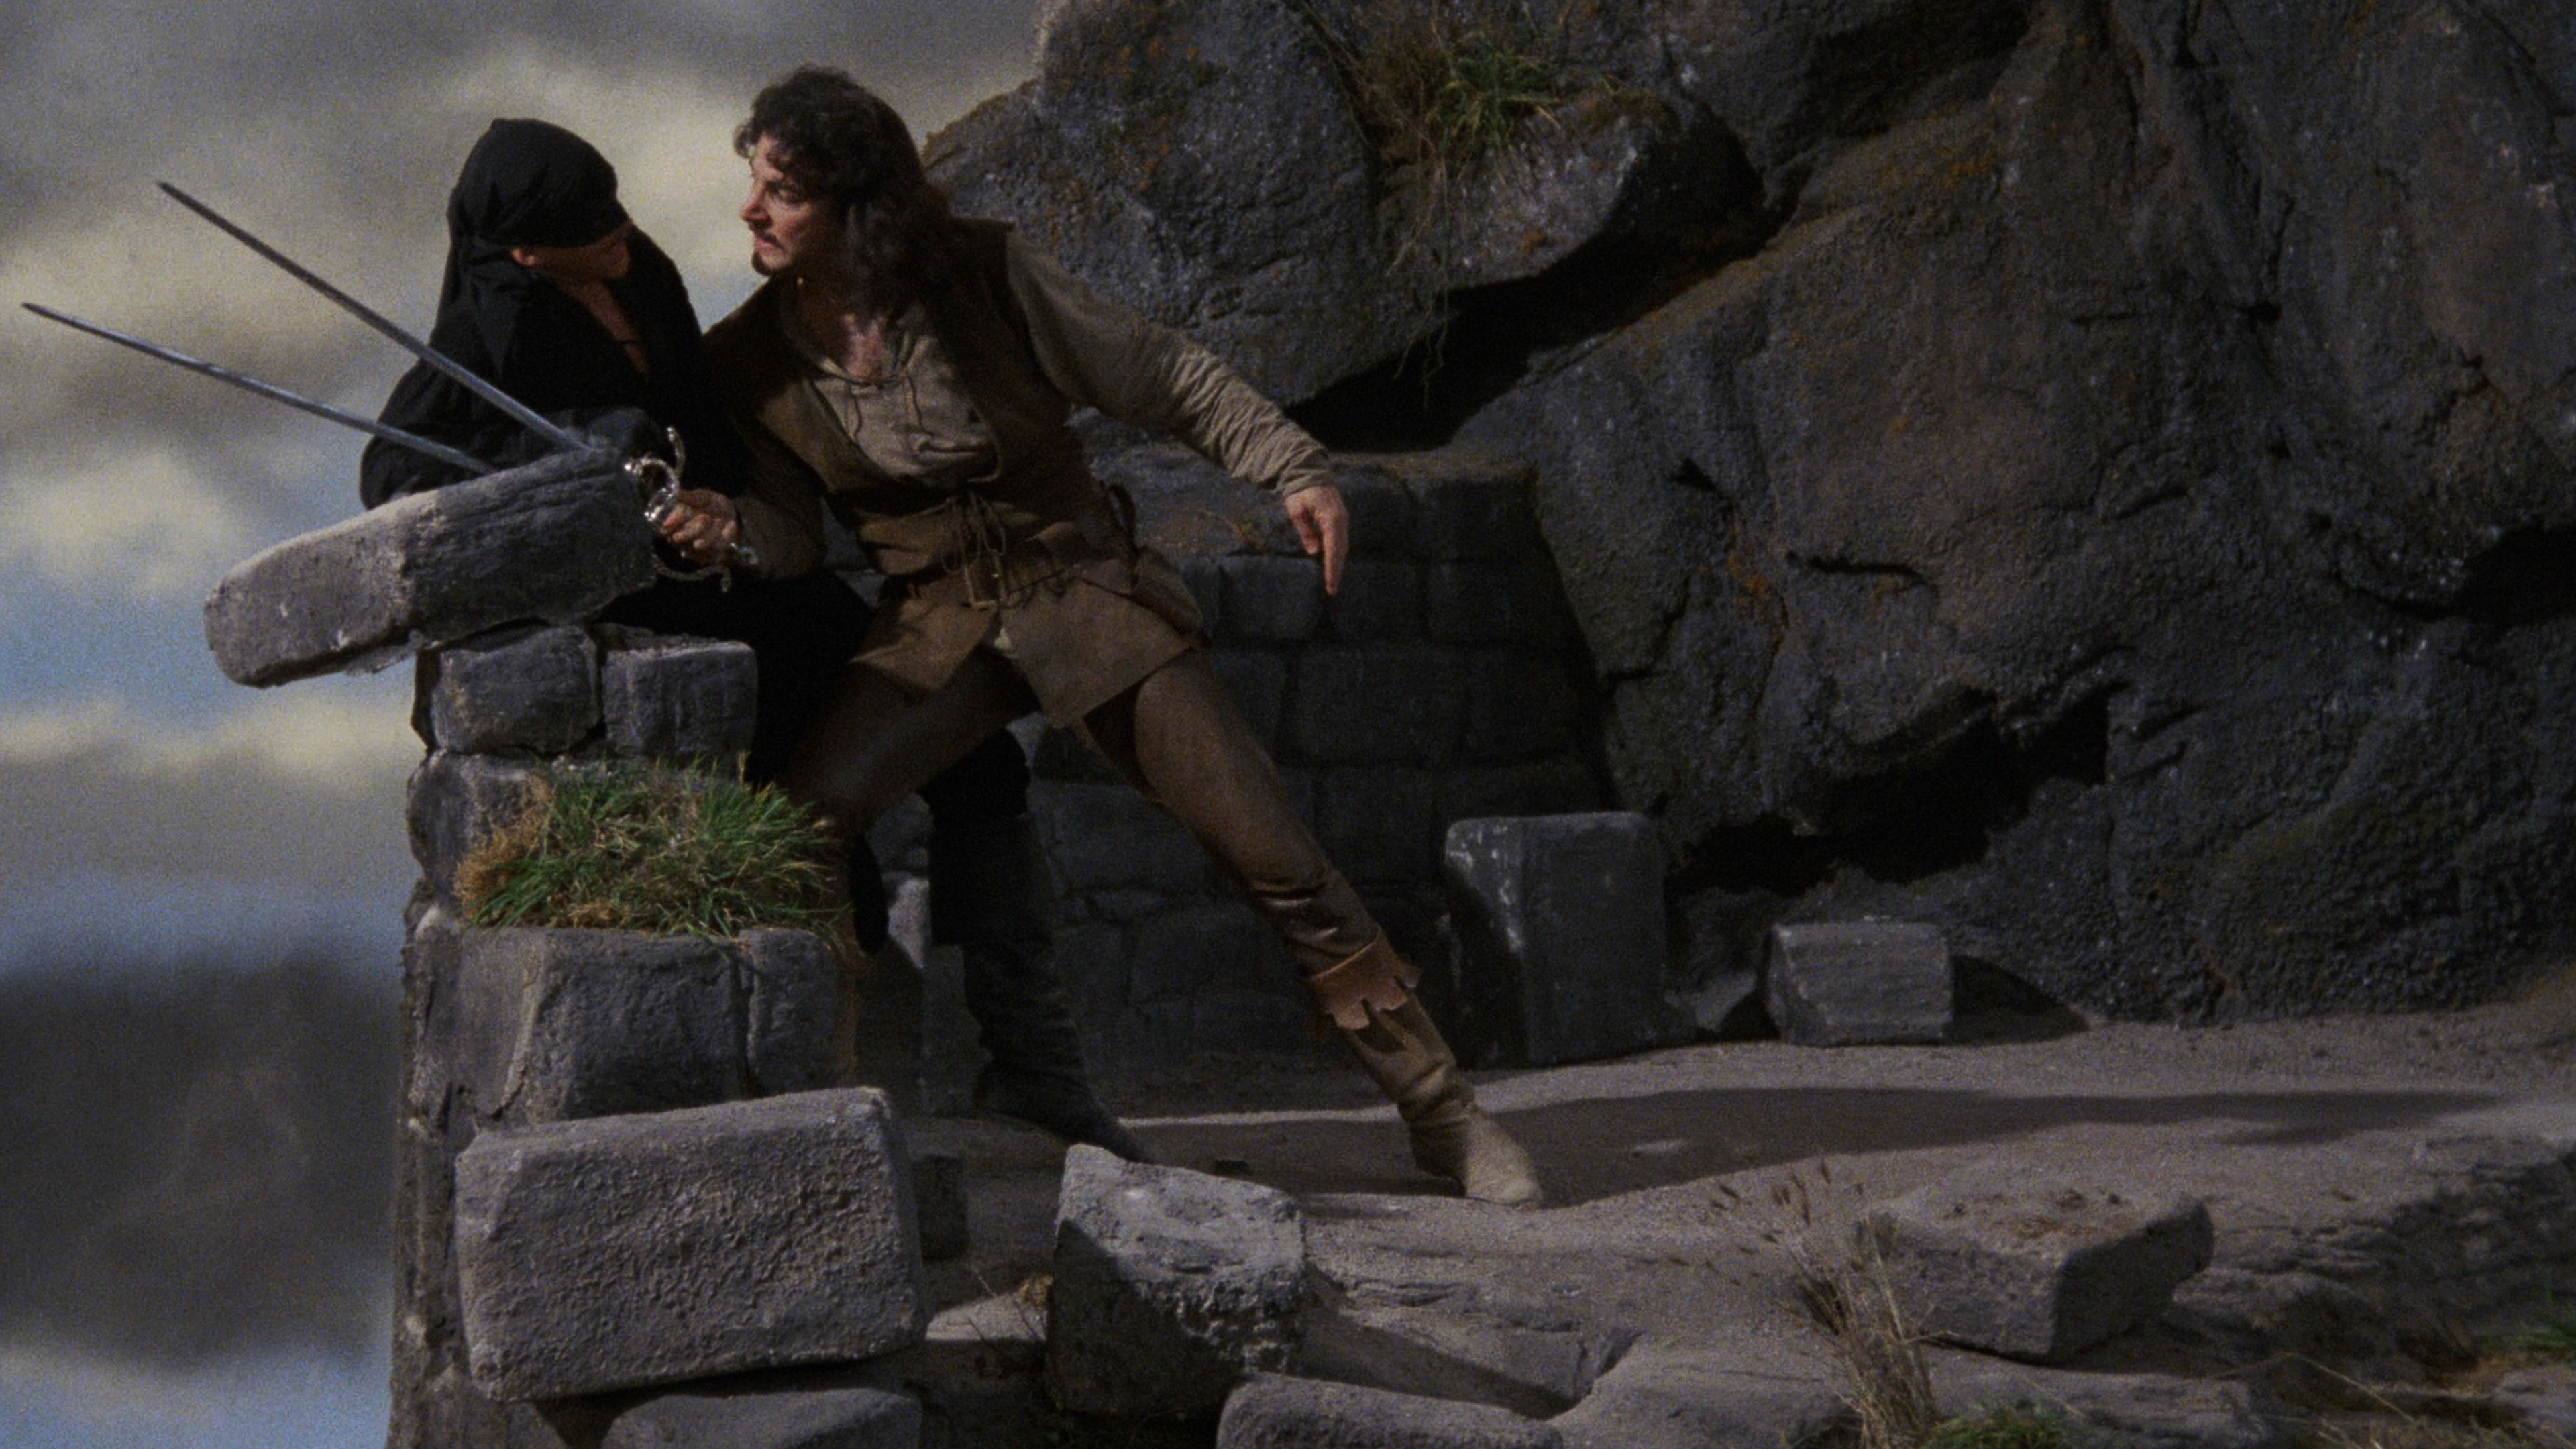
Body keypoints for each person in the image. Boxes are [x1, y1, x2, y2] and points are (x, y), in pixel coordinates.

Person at [677, 67, 1541, 1205]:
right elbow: (795, 532)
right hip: (935, 621)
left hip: (1083, 590)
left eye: (783, 191)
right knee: (800, 826)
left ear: (856, 203)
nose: (752, 209)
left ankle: (1443, 1114)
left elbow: (1159, 372)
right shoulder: (748, 360)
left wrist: (1292, 465)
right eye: (756, 183)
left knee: (1274, 856)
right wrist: (733, 532)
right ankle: (834, 1124)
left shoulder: (982, 274)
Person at [365, 117, 1148, 1161]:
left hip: (748, 577)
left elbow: (714, 416)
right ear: (527, 254)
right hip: (658, 617)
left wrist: (727, 508)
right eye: (591, 226)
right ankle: (839, 1110)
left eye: (614, 206)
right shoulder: (486, 338)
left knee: (979, 764)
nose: (620, 230)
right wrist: (566, 460)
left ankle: (1036, 1069)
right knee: (805, 827)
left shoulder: (642, 272)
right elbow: (396, 479)